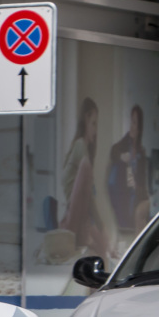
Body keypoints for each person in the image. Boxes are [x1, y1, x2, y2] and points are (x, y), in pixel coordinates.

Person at [61, 97, 109, 259]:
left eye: (97, 124)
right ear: (85, 121)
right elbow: (88, 197)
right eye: (93, 124)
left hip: (78, 215)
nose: (95, 130)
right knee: (101, 243)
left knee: (100, 247)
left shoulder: (83, 149)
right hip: (74, 213)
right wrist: (101, 225)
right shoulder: (81, 145)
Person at [107, 104, 151, 233]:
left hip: (136, 195)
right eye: (131, 121)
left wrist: (137, 186)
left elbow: (143, 184)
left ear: (139, 127)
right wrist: (121, 156)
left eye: (135, 123)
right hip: (122, 192)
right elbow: (113, 151)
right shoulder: (125, 142)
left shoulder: (141, 153)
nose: (132, 126)